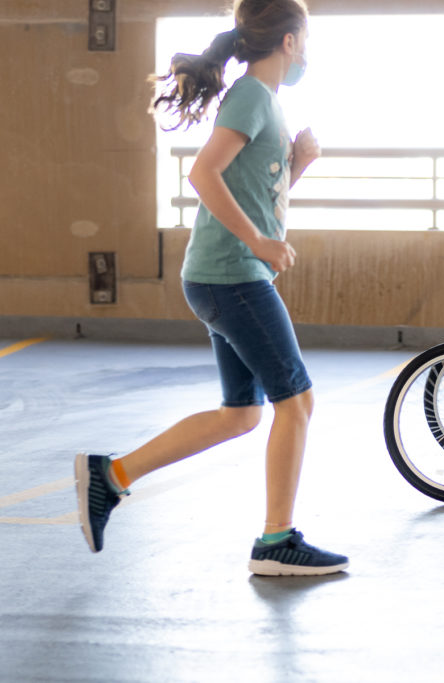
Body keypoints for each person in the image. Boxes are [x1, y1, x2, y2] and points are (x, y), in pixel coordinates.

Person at [74, 0, 348, 577]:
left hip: (222, 275)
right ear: (290, 41)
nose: (309, 53)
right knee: (297, 402)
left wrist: (297, 166)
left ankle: (111, 477)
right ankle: (276, 542)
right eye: (308, 39)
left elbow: (255, 193)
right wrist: (258, 244)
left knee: (241, 415)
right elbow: (204, 174)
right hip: (233, 276)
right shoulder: (251, 96)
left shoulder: (266, 103)